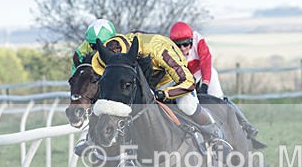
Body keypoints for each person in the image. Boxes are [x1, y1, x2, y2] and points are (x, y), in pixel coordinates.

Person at [93, 31, 226, 147]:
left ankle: (214, 133)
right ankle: (129, 155)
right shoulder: (105, 57)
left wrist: (164, 94)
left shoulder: (158, 47)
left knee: (187, 105)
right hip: (142, 81)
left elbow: (188, 82)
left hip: (172, 79)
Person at [169, 21, 259, 139]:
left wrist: (205, 84)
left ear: (191, 40)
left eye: (186, 44)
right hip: (186, 79)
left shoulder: (198, 40)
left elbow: (206, 61)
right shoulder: (169, 49)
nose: (182, 48)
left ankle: (245, 124)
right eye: (178, 45)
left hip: (203, 74)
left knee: (219, 99)